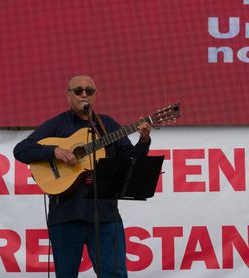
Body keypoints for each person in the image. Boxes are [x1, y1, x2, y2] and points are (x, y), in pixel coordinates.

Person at [13, 75, 151, 277]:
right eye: (78, 90)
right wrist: (54, 151)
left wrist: (144, 140)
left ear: (95, 96)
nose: (84, 94)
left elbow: (130, 160)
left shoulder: (107, 125)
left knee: (115, 274)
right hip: (67, 214)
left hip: (105, 215)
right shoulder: (57, 125)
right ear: (68, 95)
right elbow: (21, 150)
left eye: (89, 91)